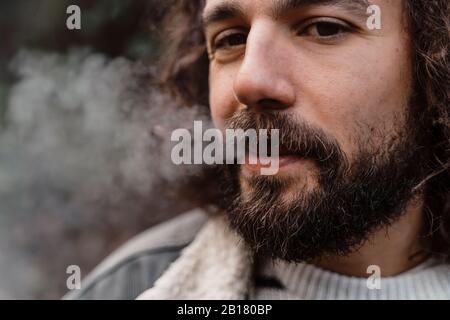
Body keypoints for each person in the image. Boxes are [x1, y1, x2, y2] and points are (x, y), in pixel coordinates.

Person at [66, 0, 450, 300]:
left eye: (324, 28)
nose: (249, 81)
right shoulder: (129, 288)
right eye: (231, 39)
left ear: (434, 63)